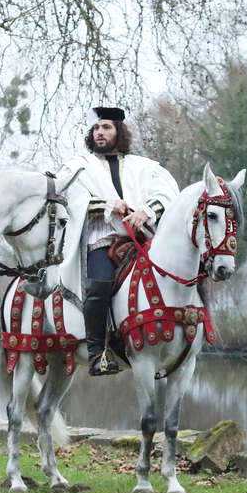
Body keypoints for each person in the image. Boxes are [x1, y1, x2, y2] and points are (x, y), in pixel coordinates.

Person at [62, 106, 179, 376]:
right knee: (99, 284)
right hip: (102, 240)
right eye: (96, 128)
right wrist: (108, 205)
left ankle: (173, 344)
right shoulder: (79, 167)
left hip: (144, 239)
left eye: (106, 128)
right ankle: (97, 354)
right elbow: (69, 198)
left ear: (119, 132)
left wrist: (145, 212)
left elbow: (169, 193)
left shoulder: (145, 167)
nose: (100, 133)